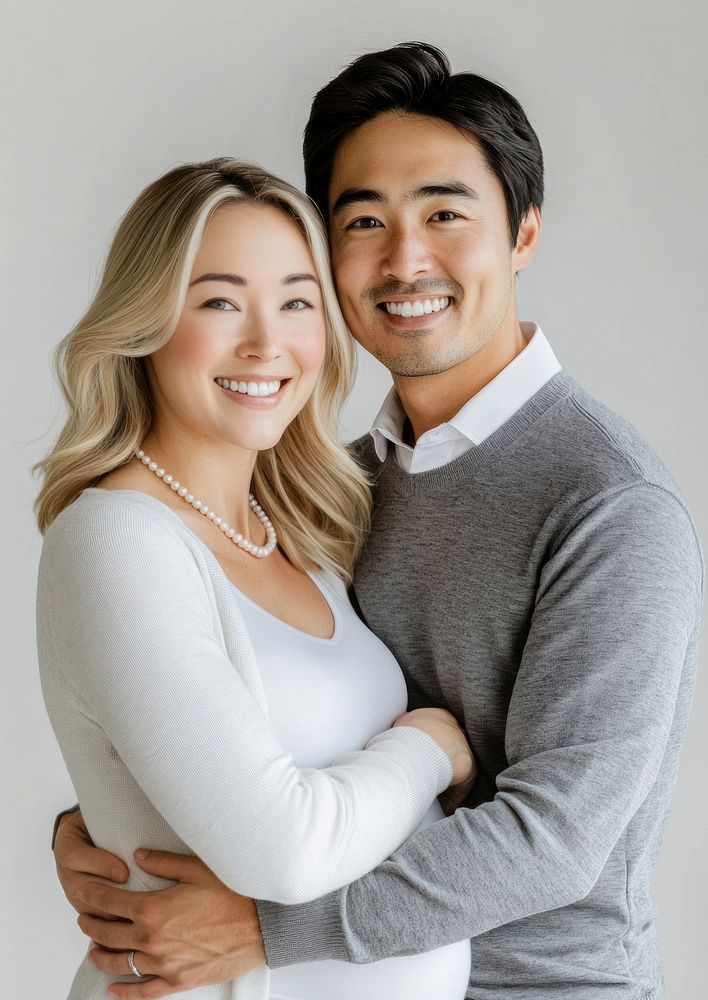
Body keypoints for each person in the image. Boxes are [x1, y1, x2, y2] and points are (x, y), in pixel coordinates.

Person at [53, 43, 703, 1000]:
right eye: (365, 220)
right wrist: (105, 829)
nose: (405, 260)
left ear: (523, 234)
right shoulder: (333, 494)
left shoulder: (610, 503)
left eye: (446, 212)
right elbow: (258, 731)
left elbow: (557, 836)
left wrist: (266, 933)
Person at [36, 157, 477, 1000]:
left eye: (297, 302)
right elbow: (287, 849)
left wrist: (87, 818)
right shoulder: (116, 539)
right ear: (148, 321)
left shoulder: (307, 534)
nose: (266, 343)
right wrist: (433, 747)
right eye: (220, 301)